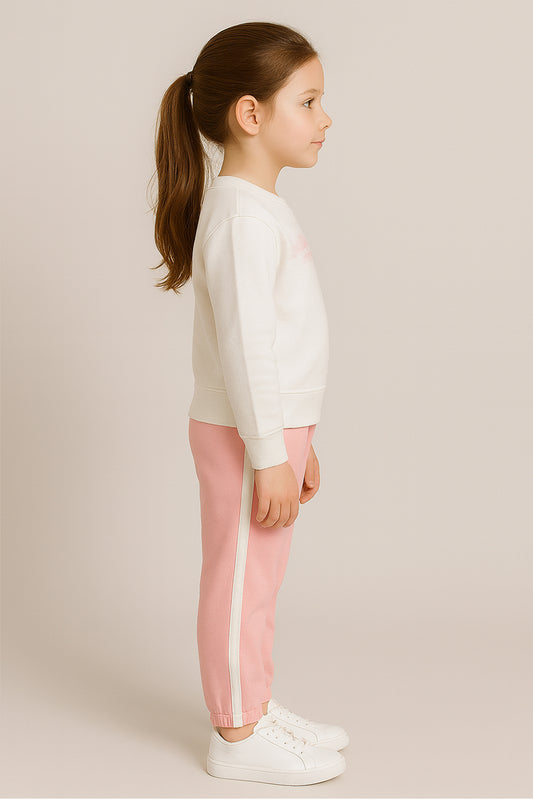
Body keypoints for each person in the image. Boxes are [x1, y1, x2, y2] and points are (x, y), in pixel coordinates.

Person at [150, 20, 348, 786]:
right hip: (245, 435)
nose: (325, 118)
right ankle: (234, 732)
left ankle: (253, 706)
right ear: (250, 114)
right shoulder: (239, 217)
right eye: (309, 101)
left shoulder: (257, 208)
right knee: (239, 581)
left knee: (258, 580)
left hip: (268, 430)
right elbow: (245, 350)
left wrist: (298, 441)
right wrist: (268, 452)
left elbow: (278, 347)